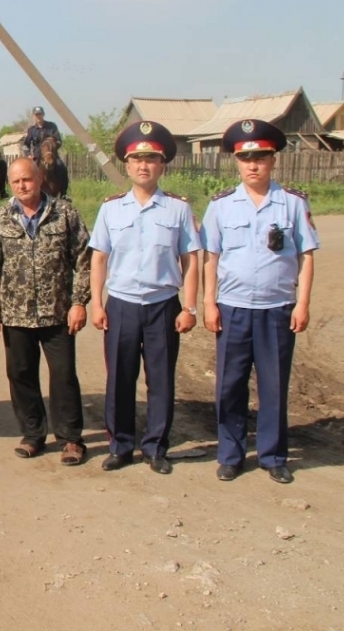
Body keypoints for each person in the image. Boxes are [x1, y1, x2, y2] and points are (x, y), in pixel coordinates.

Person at [201, 119, 318, 485]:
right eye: (246, 159)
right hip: (233, 308)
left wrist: (302, 303)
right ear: (237, 162)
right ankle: (230, 455)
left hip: (277, 308)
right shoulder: (221, 205)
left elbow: (306, 256)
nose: (253, 166)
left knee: (274, 386)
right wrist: (209, 303)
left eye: (260, 158)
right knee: (229, 386)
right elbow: (210, 258)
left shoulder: (293, 203)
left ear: (273, 160)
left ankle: (272, 456)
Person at [88, 121, 200, 475]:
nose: (143, 166)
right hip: (121, 304)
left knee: (161, 381)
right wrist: (97, 303)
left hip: (163, 305)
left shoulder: (178, 209)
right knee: (119, 380)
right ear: (127, 165)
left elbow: (190, 259)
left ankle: (155, 447)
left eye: (151, 159)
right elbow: (99, 258)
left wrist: (190, 307)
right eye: (137, 159)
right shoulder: (111, 209)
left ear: (162, 165)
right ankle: (120, 446)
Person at [0, 158, 91, 465]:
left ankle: (70, 439)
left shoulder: (64, 214)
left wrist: (79, 302)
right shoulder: (0, 219)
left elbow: (84, 260)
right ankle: (32, 435)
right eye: (16, 181)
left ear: (39, 179)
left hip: (58, 314)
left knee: (63, 376)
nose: (22, 186)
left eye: (27, 179)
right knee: (21, 375)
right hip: (15, 315)